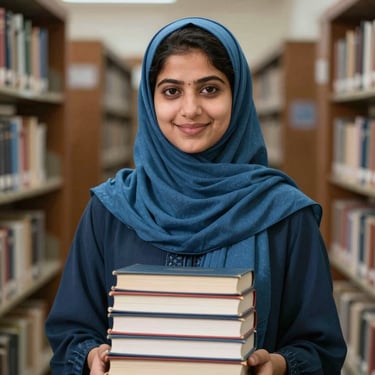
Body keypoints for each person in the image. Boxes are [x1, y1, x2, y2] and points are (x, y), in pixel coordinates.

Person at [45, 17, 347, 374]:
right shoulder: (111, 209)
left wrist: (281, 365)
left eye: (210, 89)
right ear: (149, 99)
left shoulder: (285, 214)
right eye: (172, 91)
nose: (190, 109)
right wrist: (91, 357)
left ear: (238, 95)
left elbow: (322, 347)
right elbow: (70, 331)